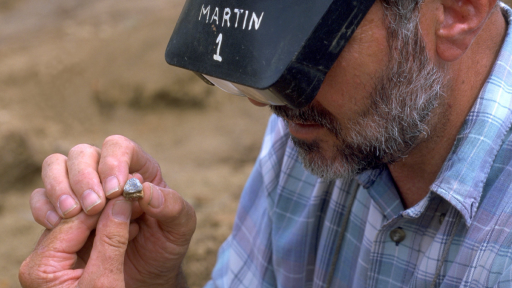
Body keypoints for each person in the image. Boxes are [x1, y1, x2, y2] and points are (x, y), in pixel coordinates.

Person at [18, 0, 512, 287]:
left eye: (306, 54)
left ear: (456, 12)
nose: (267, 102)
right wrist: (148, 281)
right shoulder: (324, 126)